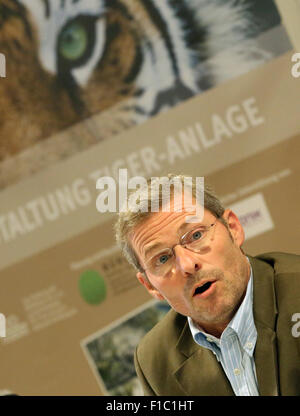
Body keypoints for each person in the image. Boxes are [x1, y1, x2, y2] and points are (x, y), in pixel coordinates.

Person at [114, 174, 300, 396]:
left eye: (196, 235)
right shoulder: (155, 359)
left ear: (233, 228)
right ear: (150, 286)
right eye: (162, 259)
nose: (187, 264)